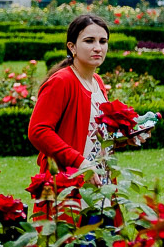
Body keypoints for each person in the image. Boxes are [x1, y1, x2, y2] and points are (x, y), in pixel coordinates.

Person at [27, 15, 110, 176]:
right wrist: (80, 162)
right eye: (89, 41)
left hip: (98, 175)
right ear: (72, 47)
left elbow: (96, 132)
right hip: (69, 178)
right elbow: (38, 131)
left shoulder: (97, 81)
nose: (98, 48)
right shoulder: (62, 81)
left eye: (103, 41)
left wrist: (128, 136)